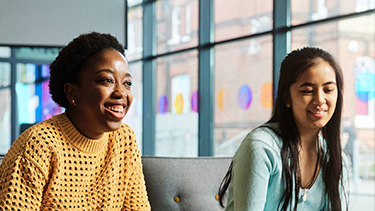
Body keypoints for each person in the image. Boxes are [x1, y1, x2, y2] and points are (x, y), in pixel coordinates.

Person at [0, 32, 151, 210]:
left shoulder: (124, 138)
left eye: (127, 83)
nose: (121, 93)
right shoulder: (38, 145)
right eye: (107, 80)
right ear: (72, 93)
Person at [218, 47, 348, 211]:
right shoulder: (261, 148)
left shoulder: (334, 158)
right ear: (287, 97)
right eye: (307, 91)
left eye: (328, 90)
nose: (320, 100)